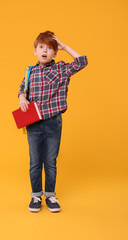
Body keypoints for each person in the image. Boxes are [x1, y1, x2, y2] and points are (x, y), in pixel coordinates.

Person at [18, 31, 88, 213]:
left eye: (50, 48)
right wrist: (21, 98)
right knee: (35, 162)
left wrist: (64, 46)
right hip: (33, 123)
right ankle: (35, 195)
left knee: (50, 161)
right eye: (41, 47)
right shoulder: (29, 71)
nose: (45, 50)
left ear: (55, 53)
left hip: (52, 123)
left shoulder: (61, 69)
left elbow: (82, 62)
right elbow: (21, 89)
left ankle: (50, 195)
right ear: (35, 51)